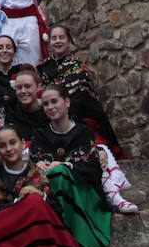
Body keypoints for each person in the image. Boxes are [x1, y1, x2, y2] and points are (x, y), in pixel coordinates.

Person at [30, 84, 112, 247]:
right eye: (46, 104)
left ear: (67, 102)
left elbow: (91, 168)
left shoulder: (84, 132)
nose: (51, 107)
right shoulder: (40, 136)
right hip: (51, 193)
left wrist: (64, 166)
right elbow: (33, 166)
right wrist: (37, 166)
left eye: (54, 101)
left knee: (60, 174)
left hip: (82, 192)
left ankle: (77, 237)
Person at [38, 24, 125, 157]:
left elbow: (82, 94)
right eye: (54, 38)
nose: (58, 41)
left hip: (78, 115)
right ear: (49, 43)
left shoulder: (77, 66)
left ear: (68, 41)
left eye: (61, 37)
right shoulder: (42, 68)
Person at [7, 64, 48, 143]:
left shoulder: (48, 113)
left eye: (28, 86)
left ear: (38, 87)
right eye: (19, 87)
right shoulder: (10, 112)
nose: (23, 91)